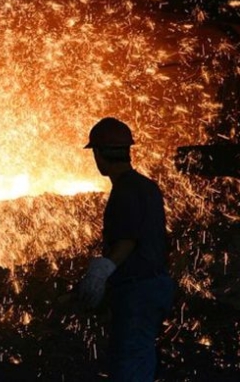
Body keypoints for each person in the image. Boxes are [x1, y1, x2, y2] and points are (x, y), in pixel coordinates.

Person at [76, 117, 175, 381]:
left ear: (98, 154)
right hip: (155, 286)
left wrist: (100, 271)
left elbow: (127, 240)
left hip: (138, 291)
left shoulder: (125, 191)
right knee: (141, 357)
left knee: (129, 363)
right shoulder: (146, 187)